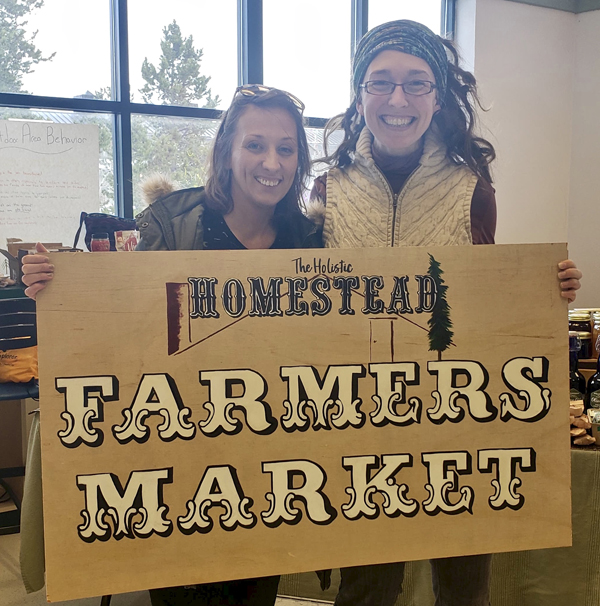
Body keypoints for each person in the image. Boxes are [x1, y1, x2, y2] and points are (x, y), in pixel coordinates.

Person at [310, 19, 582, 606]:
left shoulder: (471, 187)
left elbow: (486, 299)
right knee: (366, 589)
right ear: (360, 94)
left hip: (456, 416)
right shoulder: (328, 189)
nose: (398, 99)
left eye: (416, 82)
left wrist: (544, 289)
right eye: (381, 82)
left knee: (462, 586)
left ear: (437, 96)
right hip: (360, 418)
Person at [21, 84, 320, 606]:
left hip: (269, 450)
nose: (271, 162)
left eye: (286, 148)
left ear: (300, 160)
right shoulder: (172, 223)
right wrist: (57, 284)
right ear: (226, 150)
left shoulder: (310, 239)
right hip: (182, 442)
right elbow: (125, 317)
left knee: (256, 588)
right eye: (254, 145)